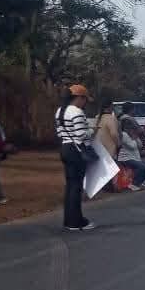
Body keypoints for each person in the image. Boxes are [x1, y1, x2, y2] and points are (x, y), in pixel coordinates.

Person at [54, 84, 95, 232]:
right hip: (76, 150)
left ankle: (69, 220)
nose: (85, 103)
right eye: (84, 99)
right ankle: (76, 221)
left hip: (65, 148)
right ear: (79, 98)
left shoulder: (59, 111)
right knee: (76, 187)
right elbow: (81, 134)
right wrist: (92, 130)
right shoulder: (77, 112)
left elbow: (59, 133)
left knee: (70, 186)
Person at [115, 104, 145, 188]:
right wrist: (137, 137)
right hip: (127, 157)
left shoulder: (122, 120)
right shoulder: (124, 133)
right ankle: (134, 183)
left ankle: (139, 182)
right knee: (143, 166)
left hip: (134, 155)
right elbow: (133, 145)